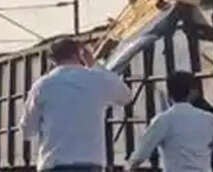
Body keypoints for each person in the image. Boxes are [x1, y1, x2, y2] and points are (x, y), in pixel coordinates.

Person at [19, 37, 132, 171]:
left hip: (53, 163)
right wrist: (94, 64)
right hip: (89, 164)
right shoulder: (97, 79)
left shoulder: (42, 85)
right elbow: (126, 96)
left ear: (53, 60)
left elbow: (27, 130)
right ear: (79, 54)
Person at [127, 71, 213, 172]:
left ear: (169, 94)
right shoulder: (209, 119)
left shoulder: (162, 120)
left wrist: (130, 166)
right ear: (193, 92)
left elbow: (140, 156)